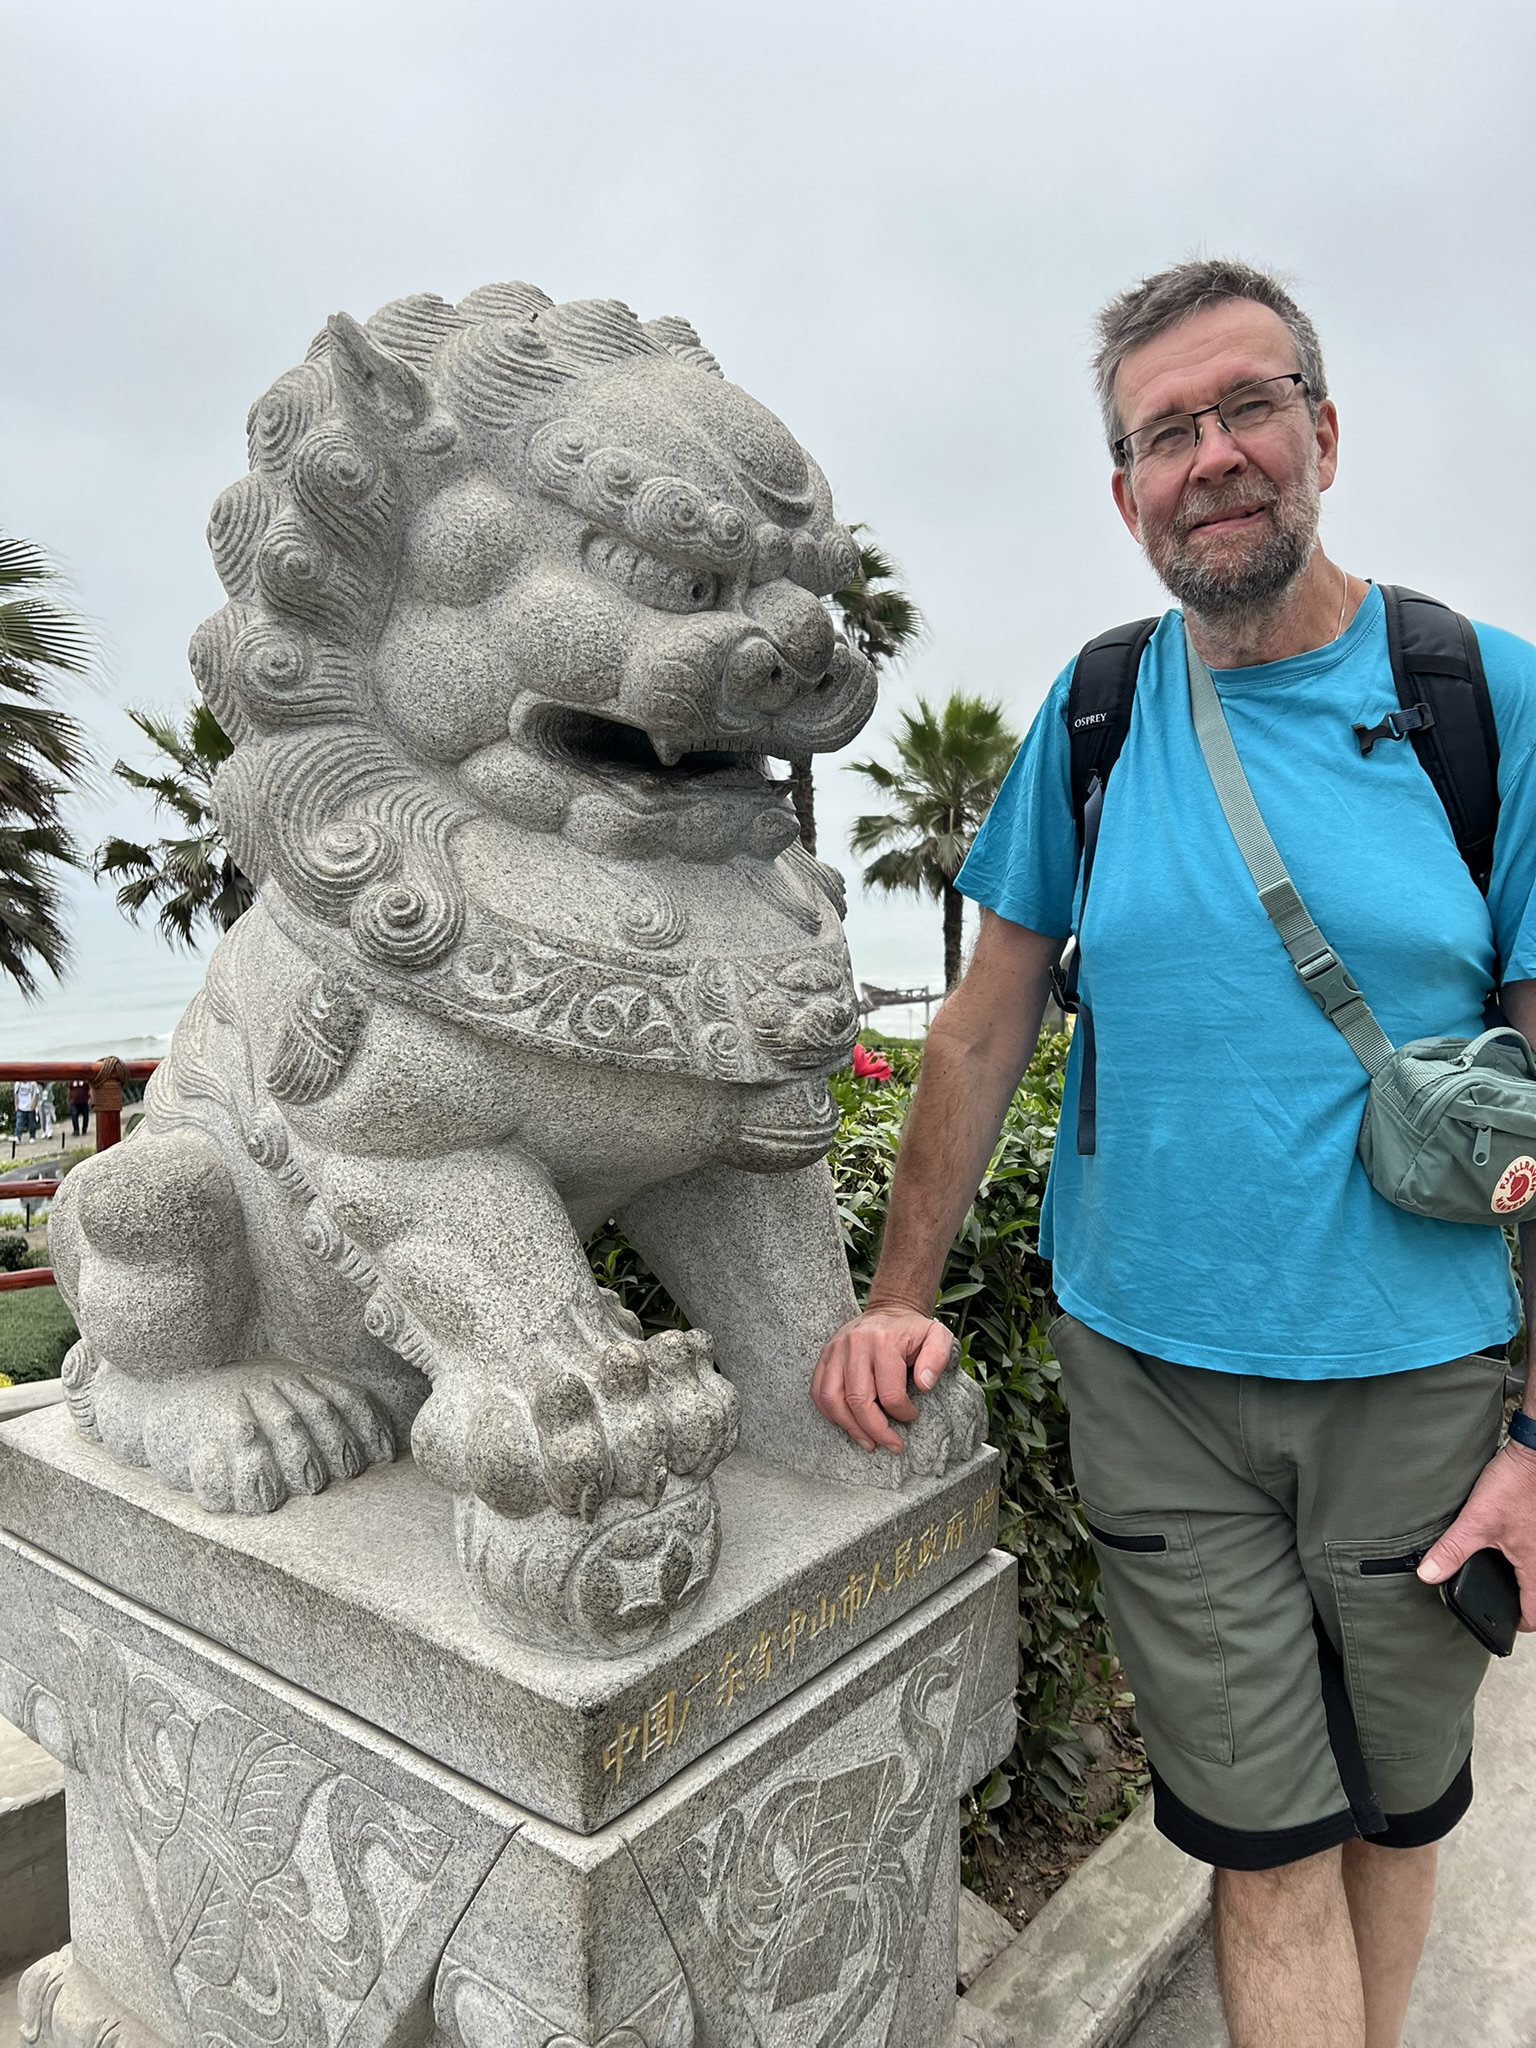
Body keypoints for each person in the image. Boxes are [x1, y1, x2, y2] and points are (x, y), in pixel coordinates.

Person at [811, 259, 1536, 2048]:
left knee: (1398, 1803)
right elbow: (983, 1027)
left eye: (1248, 409)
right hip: (1150, 1380)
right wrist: (894, 1302)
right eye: (1165, 432)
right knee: (1263, 1842)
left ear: (1324, 432)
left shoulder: (1485, 701)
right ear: (1124, 487)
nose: (1212, 456)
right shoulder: (1096, 712)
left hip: (1422, 1388)